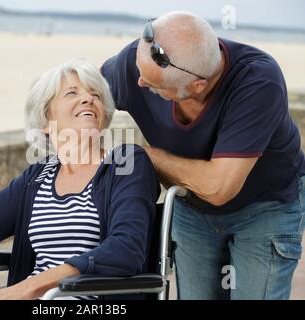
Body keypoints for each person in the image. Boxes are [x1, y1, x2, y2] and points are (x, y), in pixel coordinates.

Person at [101, 11, 305, 300]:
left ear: (197, 87)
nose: (139, 85)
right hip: (192, 208)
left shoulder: (258, 80)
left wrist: (147, 156)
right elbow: (88, 98)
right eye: (139, 72)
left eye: (154, 85)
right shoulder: (138, 63)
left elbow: (218, 187)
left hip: (265, 208)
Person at [0, 58, 160, 300]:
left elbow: (126, 249)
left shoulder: (125, 163)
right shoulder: (38, 177)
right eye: (71, 93)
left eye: (95, 94)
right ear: (45, 121)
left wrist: (30, 287)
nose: (88, 99)